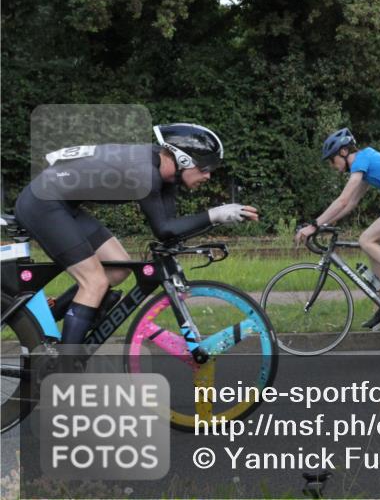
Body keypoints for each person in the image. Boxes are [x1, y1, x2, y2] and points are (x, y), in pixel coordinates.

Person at [13, 123, 259, 344]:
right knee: (95, 282)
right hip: (43, 203)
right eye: (205, 168)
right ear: (183, 159)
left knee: (118, 269)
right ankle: (64, 369)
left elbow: (168, 231)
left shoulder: (166, 177)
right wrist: (216, 214)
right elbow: (164, 229)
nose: (208, 176)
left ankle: (43, 323)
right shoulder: (145, 172)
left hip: (65, 204)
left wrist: (217, 219)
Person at [294, 128, 380, 329]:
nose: (332, 165)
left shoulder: (360, 161)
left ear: (343, 152)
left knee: (366, 240)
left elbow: (342, 200)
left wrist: (314, 225)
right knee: (373, 247)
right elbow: (351, 203)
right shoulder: (365, 164)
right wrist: (326, 223)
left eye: (331, 159)